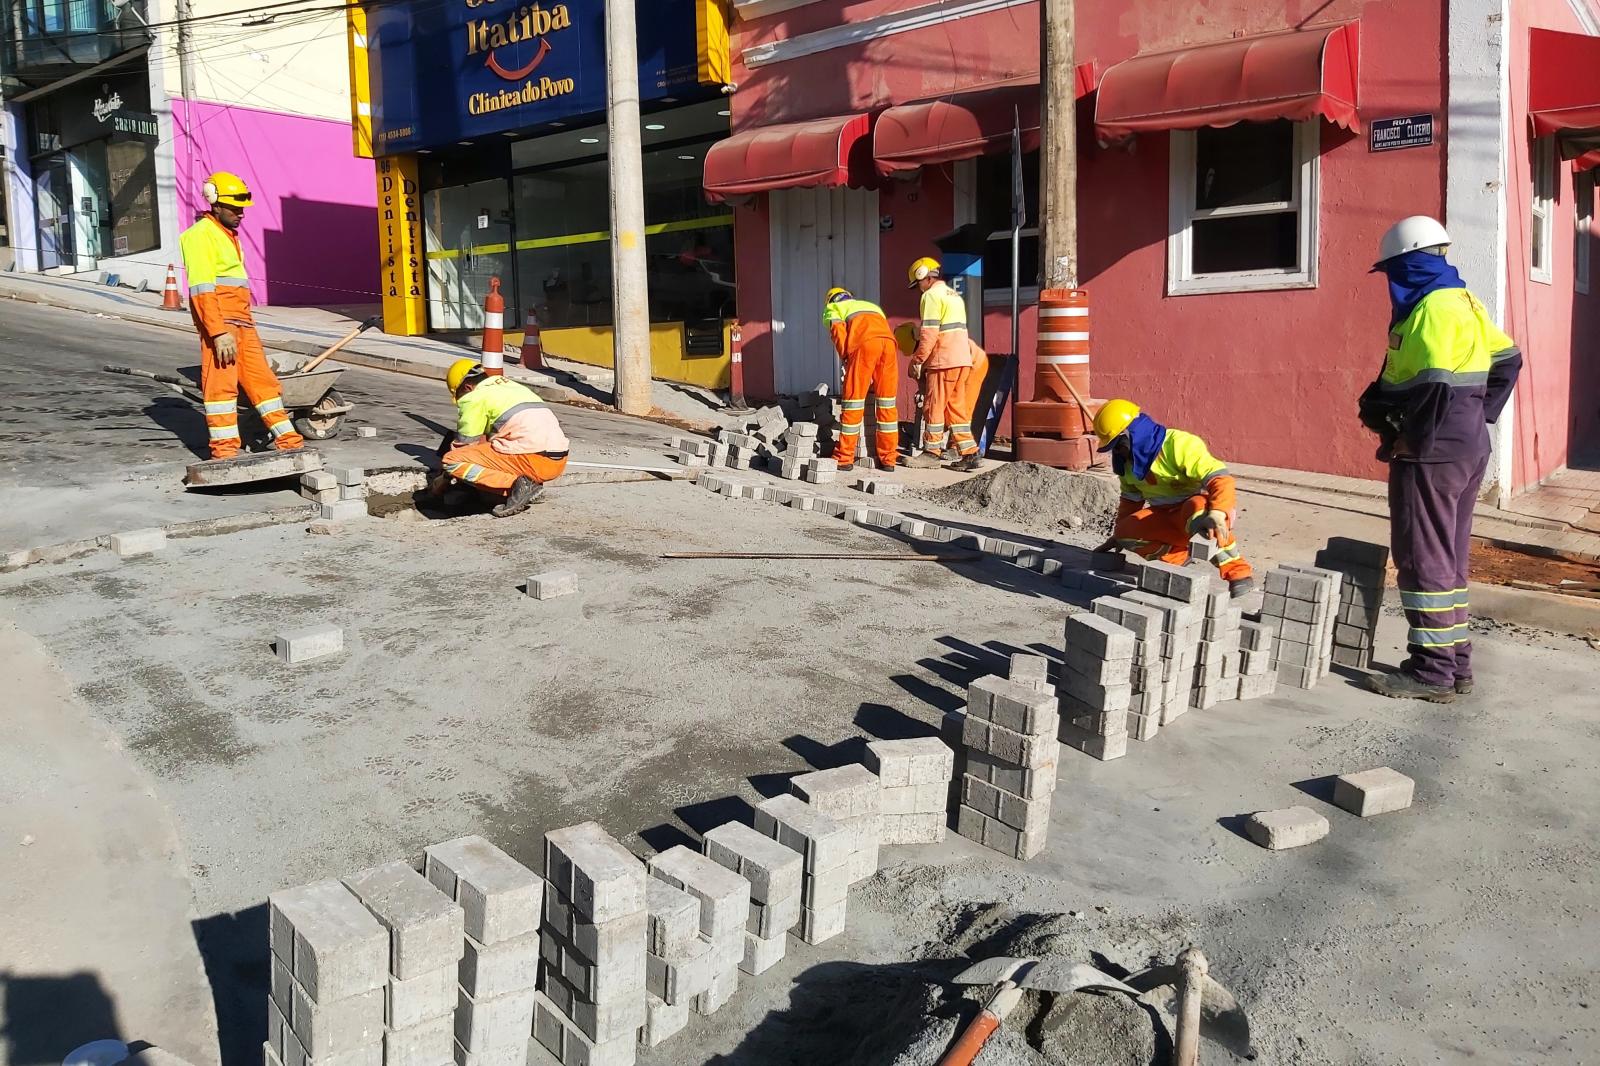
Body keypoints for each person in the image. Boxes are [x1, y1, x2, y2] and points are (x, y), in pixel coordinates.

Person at [1358, 216, 1522, 702]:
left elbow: (1433, 385)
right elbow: (1508, 360)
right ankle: (1456, 663)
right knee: (1448, 559)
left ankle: (1431, 673)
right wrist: (1481, 415)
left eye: (1392, 271)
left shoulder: (1429, 308)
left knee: (1421, 557)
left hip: (1433, 454)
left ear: (1406, 265)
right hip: (1467, 445)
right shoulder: (1464, 301)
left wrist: (1412, 442)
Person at [178, 171, 304, 458]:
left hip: (242, 323)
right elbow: (201, 289)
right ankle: (225, 452)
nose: (240, 213)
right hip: (223, 325)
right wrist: (218, 332)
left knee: (263, 382)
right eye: (234, 208)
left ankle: (290, 443)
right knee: (221, 388)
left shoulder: (227, 235)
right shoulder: (199, 236)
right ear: (215, 204)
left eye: (242, 208)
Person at [1092, 399, 1255, 597]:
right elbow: (1130, 503)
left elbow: (1221, 479)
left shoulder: (1178, 444)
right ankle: (1177, 561)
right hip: (1165, 518)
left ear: (1131, 435)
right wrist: (1119, 536)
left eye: (1117, 445)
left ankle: (1238, 573)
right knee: (1125, 531)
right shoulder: (1127, 465)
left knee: (1199, 510)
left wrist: (1219, 512)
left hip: (1196, 514)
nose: (1116, 452)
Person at [431, 359, 570, 517]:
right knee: (488, 487)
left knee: (452, 461)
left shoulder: (474, 397)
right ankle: (523, 486)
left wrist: (443, 479)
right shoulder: (509, 386)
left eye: (459, 395)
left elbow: (465, 446)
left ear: (467, 387)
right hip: (557, 461)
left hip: (534, 460)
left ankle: (516, 485)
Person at [903, 257, 982, 471]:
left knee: (934, 406)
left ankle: (931, 453)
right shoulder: (952, 294)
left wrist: (917, 360)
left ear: (923, 276)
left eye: (917, 283)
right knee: (956, 408)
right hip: (962, 359)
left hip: (943, 360)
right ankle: (970, 453)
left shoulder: (930, 296)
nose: (918, 288)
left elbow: (929, 333)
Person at [823, 286, 899, 471]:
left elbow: (839, 335)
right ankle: (888, 459)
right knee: (887, 403)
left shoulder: (833, 309)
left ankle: (844, 457)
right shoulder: (871, 306)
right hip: (888, 345)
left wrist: (847, 359)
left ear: (831, 300)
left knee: (853, 401)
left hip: (864, 345)